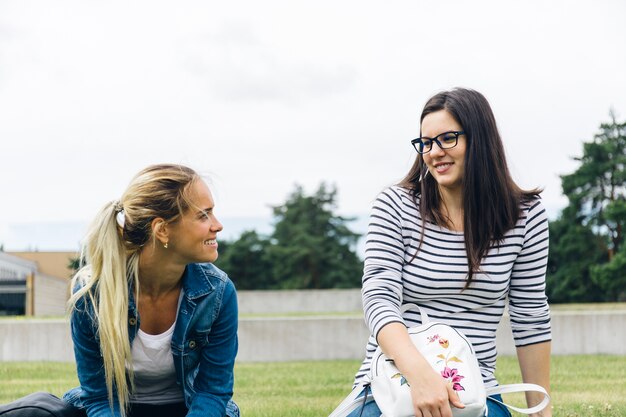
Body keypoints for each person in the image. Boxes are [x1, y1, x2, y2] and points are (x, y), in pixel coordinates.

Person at [345, 88, 552, 417]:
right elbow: (378, 300)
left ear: (480, 140)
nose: (433, 152)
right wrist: (423, 377)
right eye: (426, 142)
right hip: (394, 386)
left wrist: (542, 413)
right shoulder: (393, 206)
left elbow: (530, 317)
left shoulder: (526, 216)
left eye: (448, 139)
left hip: (476, 391)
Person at [0, 164, 239, 417]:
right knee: (42, 413)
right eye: (204, 215)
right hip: (113, 410)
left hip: (188, 409)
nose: (218, 225)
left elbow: (212, 393)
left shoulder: (218, 292)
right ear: (162, 230)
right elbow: (99, 396)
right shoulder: (92, 293)